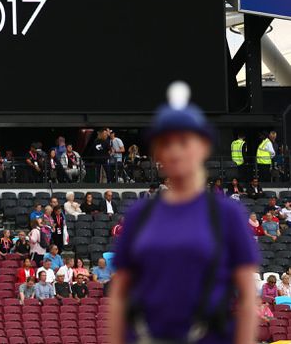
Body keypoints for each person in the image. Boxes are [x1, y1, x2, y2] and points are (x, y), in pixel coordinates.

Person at [109, 82, 259, 344]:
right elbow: (119, 294)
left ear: (204, 146)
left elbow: (247, 296)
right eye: (165, 143)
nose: (174, 151)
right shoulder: (139, 214)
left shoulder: (227, 214)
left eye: (183, 141)